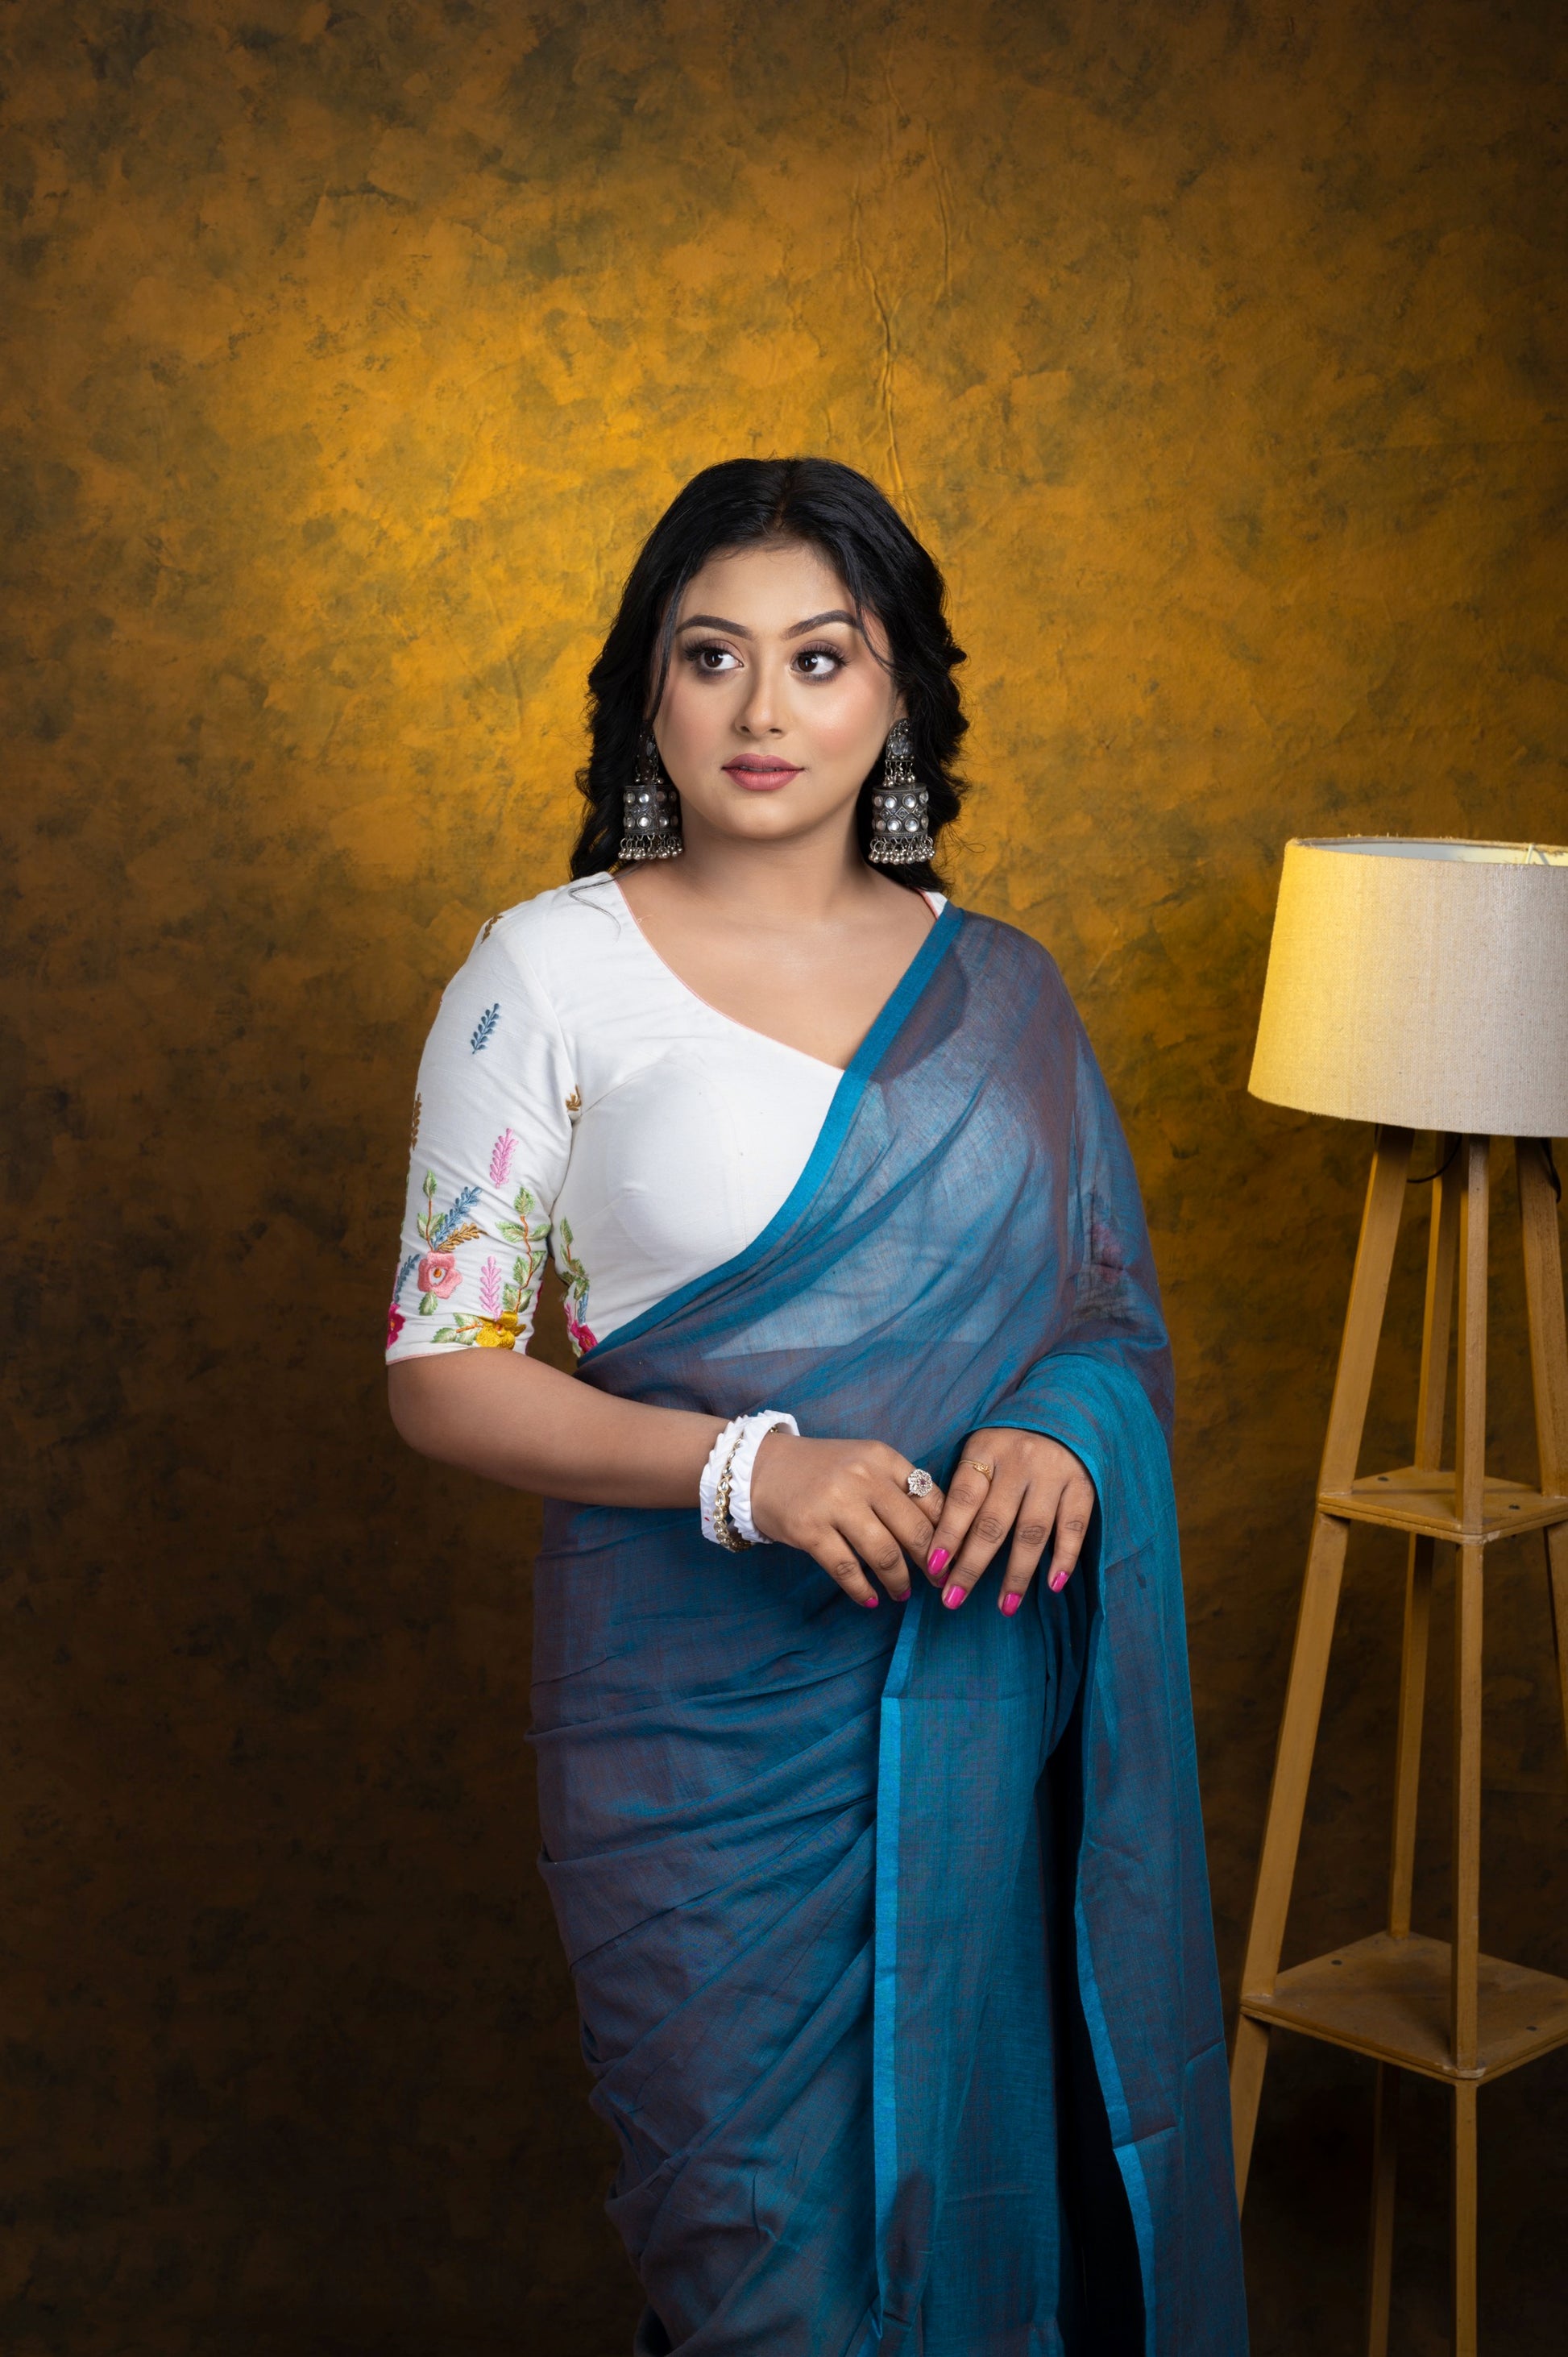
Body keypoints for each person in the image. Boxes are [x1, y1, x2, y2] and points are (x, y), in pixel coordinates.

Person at [385, 458, 1247, 2356]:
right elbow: (441, 1373)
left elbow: (1104, 1312)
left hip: (979, 1697)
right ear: (647, 691)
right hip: (693, 1744)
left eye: (818, 655)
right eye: (711, 656)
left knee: (995, 2218)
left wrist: (1057, 1423)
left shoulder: (1004, 994)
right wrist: (742, 1470)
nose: (761, 708)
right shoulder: (546, 969)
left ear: (898, 697)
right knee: (764, 2274)